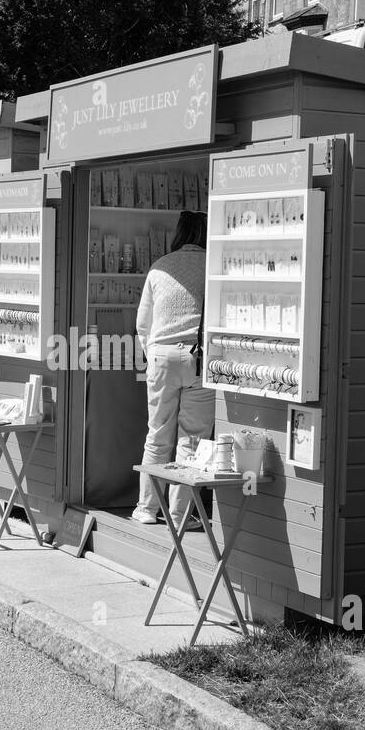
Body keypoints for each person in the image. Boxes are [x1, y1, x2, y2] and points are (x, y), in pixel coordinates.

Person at [133, 210, 214, 528]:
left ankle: (145, 508)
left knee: (158, 434)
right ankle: (180, 515)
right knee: (191, 439)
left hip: (161, 357)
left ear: (179, 233)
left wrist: (152, 352)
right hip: (199, 358)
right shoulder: (213, 263)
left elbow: (143, 322)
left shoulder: (159, 267)